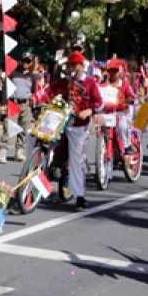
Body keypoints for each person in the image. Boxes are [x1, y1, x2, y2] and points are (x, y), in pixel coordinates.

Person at [49, 51, 103, 210]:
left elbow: (99, 103)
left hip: (79, 125)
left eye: (73, 65)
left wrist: (90, 111)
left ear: (80, 66)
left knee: (77, 160)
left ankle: (80, 196)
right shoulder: (63, 82)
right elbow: (48, 92)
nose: (70, 69)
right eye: (68, 66)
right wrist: (35, 98)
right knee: (36, 139)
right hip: (59, 122)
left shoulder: (89, 83)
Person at [100, 58, 137, 150]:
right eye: (110, 71)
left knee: (122, 126)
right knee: (100, 127)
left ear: (118, 72)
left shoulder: (124, 84)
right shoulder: (102, 84)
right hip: (106, 113)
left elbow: (131, 96)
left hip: (120, 113)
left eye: (115, 71)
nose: (112, 73)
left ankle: (126, 145)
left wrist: (130, 100)